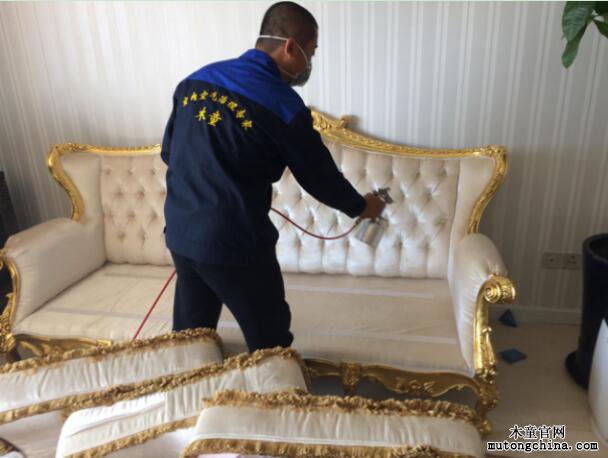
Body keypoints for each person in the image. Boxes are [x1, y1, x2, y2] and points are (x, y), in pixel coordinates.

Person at [160, 1, 385, 353]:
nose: (309, 64)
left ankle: (185, 386)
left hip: (181, 234)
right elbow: (320, 177)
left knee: (190, 337)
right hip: (234, 243)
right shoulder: (282, 104)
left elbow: (169, 153)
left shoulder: (195, 81)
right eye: (311, 52)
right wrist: (362, 206)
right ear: (290, 47)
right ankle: (275, 389)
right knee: (271, 342)